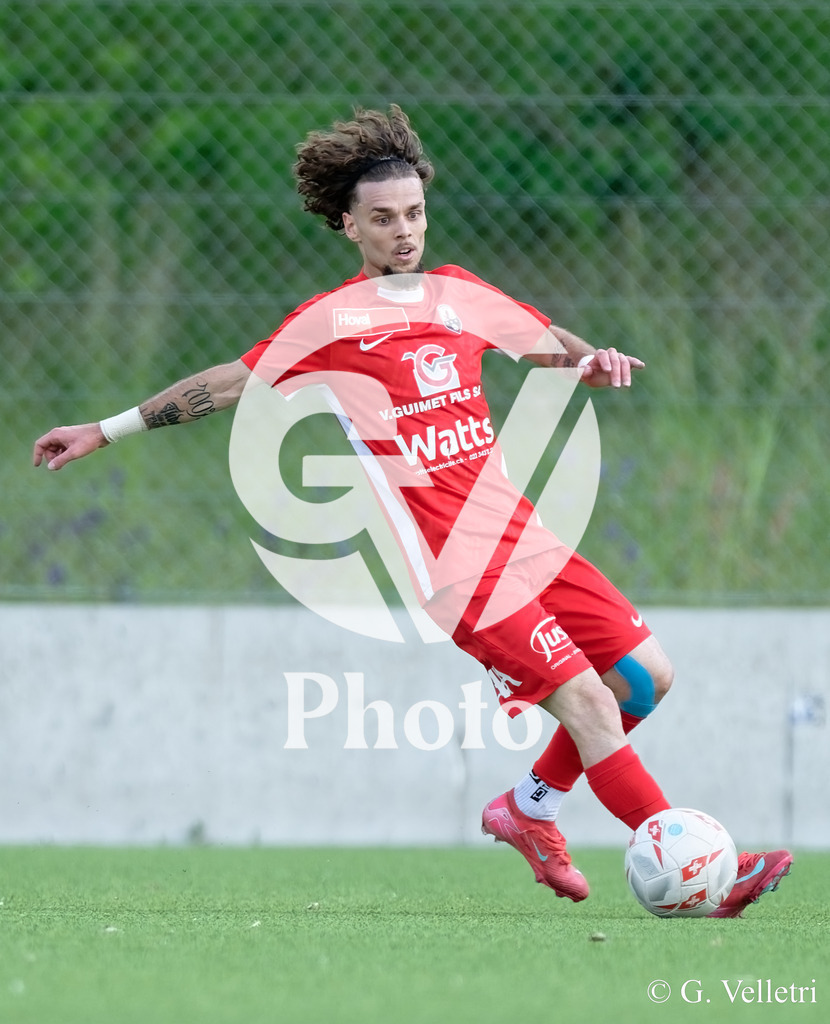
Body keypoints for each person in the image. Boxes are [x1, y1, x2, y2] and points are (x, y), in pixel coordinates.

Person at [34, 105, 791, 917]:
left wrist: (590, 360)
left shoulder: (457, 292)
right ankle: (703, 877)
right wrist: (104, 430)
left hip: (524, 538)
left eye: (415, 213)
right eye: (384, 219)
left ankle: (528, 810)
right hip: (457, 567)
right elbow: (225, 384)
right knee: (592, 703)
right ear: (349, 226)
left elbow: (544, 339)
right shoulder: (331, 323)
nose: (404, 232)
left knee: (643, 679)